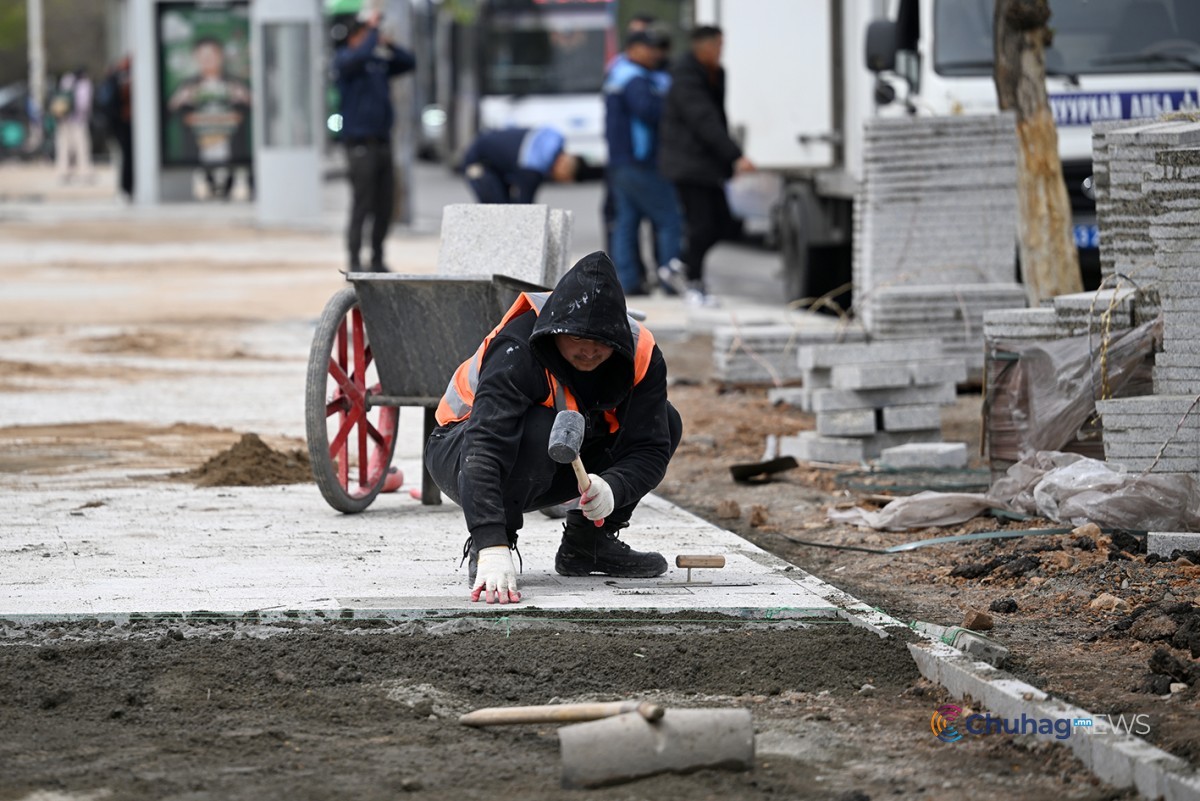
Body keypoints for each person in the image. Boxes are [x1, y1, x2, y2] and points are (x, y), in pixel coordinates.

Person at [425, 251, 682, 604]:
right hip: (459, 450)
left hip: (551, 455)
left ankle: (588, 545)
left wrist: (613, 487)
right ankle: (499, 544)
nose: (589, 351)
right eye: (576, 339)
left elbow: (649, 447)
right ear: (556, 330)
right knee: (541, 426)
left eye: (601, 342)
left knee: (666, 419)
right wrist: (490, 542)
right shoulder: (519, 347)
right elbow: (484, 446)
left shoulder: (641, 352)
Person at [658, 25, 755, 307]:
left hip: (707, 165)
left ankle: (679, 267)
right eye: (718, 45)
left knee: (726, 224)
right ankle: (693, 283)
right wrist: (734, 154)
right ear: (704, 46)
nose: (721, 51)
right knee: (701, 226)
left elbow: (717, 117)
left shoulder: (714, 73)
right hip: (688, 164)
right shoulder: (685, 76)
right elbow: (704, 119)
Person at [333, 10, 415, 271]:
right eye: (363, 34)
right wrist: (371, 30)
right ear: (353, 37)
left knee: (384, 205)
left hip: (382, 143)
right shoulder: (346, 60)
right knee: (362, 205)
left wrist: (388, 44)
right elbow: (360, 55)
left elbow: (408, 62)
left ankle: (377, 258)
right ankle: (355, 260)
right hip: (360, 145)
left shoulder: (377, 63)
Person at [604, 28, 682, 296]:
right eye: (649, 48)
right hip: (639, 162)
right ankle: (671, 279)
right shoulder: (635, 79)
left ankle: (627, 281)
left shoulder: (618, 73)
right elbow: (649, 111)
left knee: (627, 222)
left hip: (620, 161)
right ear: (634, 49)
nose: (655, 54)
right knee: (670, 218)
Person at [168, 37, 252, 200]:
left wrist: (245, 97)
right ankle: (211, 186)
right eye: (203, 56)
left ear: (220, 56)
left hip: (231, 150)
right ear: (196, 58)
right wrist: (179, 100)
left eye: (212, 55)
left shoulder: (235, 83)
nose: (208, 60)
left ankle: (226, 188)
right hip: (200, 150)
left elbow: (261, 112)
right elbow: (167, 113)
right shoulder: (187, 85)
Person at [461, 126, 578, 204]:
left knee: (505, 208)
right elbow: (525, 206)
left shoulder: (549, 141)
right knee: (497, 208)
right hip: (478, 162)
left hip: (491, 155)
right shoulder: (533, 167)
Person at [98, 56, 134, 200]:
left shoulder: (115, 78)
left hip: (117, 122)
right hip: (123, 122)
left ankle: (126, 187)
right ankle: (127, 187)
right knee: (128, 156)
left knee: (125, 156)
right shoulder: (123, 80)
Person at [52, 69, 93, 182]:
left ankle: (63, 171)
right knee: (81, 146)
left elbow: (59, 99)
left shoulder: (66, 79)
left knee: (63, 146)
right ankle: (84, 170)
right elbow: (85, 104)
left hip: (63, 118)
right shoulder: (85, 83)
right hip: (79, 120)